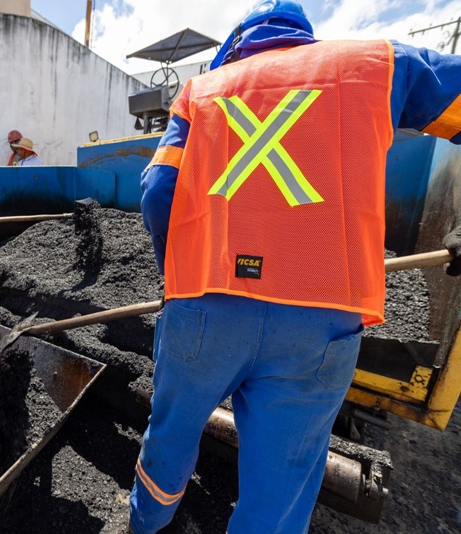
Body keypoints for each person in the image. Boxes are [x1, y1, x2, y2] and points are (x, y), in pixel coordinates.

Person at [132, 1, 461, 533]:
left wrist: (179, 280)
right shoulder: (377, 64)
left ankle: (145, 523)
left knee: (169, 436)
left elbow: (158, 192)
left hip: (205, 312)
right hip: (321, 324)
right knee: (281, 484)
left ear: (236, 42)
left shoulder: (202, 91)